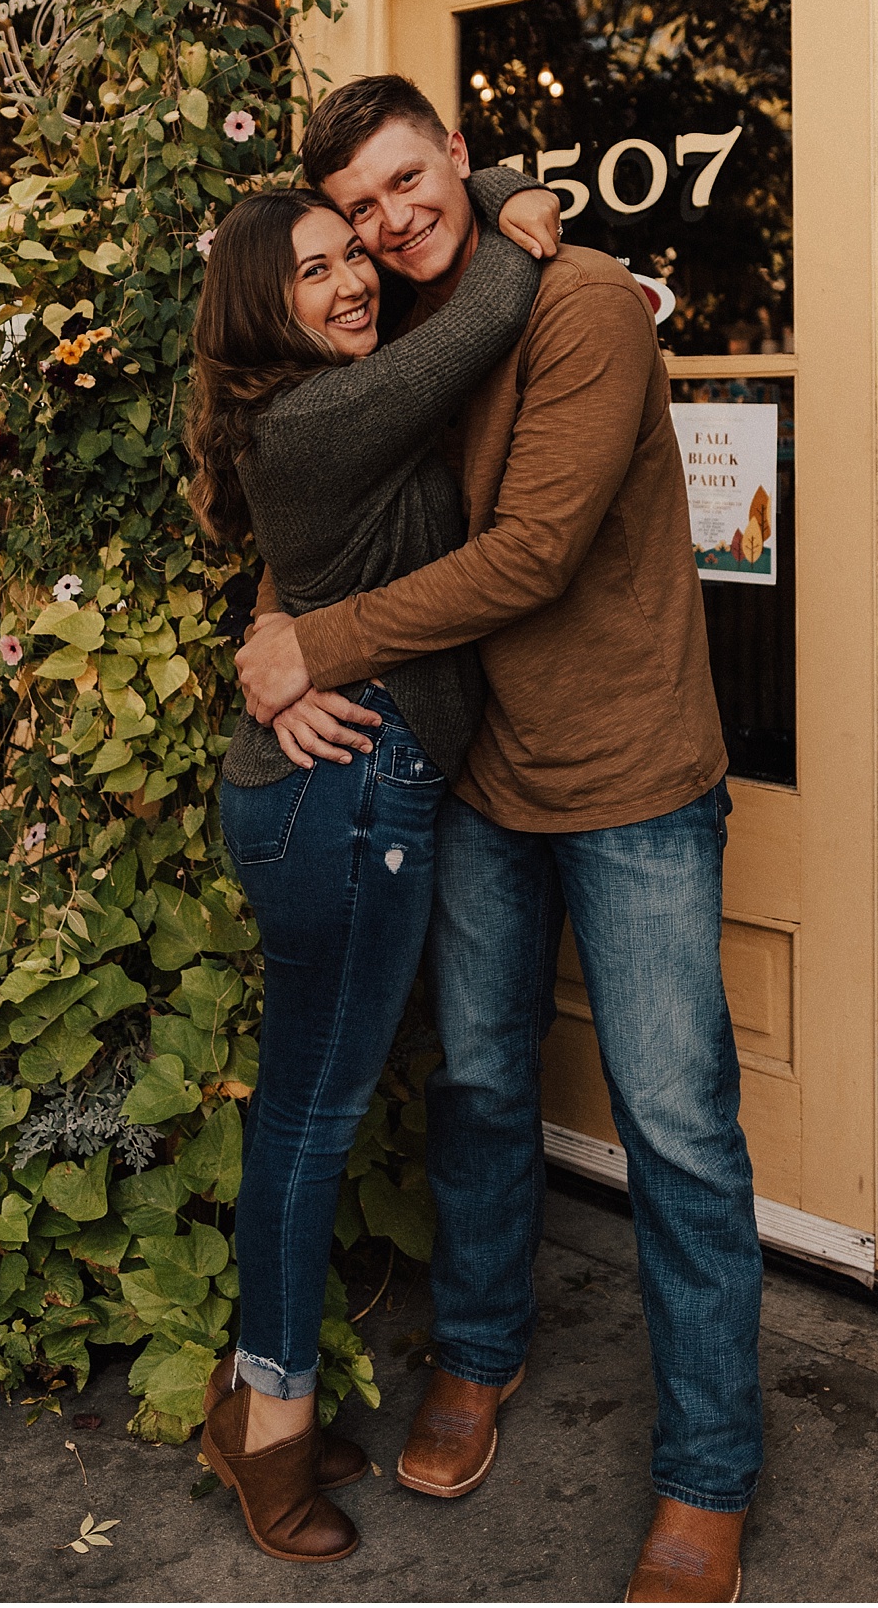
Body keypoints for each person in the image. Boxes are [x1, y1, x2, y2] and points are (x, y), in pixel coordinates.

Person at [236, 75, 764, 1606]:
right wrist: (278, 626)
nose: (393, 223)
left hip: (632, 771)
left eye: (413, 181)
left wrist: (318, 639)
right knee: (475, 1078)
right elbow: (327, 507)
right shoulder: (401, 320)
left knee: (678, 1125)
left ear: (457, 156)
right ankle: (475, 1353)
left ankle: (711, 1466)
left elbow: (529, 554)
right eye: (363, 208)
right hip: (475, 774)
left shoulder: (587, 306)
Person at [185, 166, 559, 1564]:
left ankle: (251, 1388)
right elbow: (491, 308)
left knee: (304, 1106)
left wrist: (494, 177)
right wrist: (511, 197)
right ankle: (270, 1426)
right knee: (310, 1121)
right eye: (316, 272)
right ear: (262, 312)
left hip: (341, 791)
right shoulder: (327, 409)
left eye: (357, 254)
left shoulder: (322, 403)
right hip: (341, 806)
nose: (355, 280)